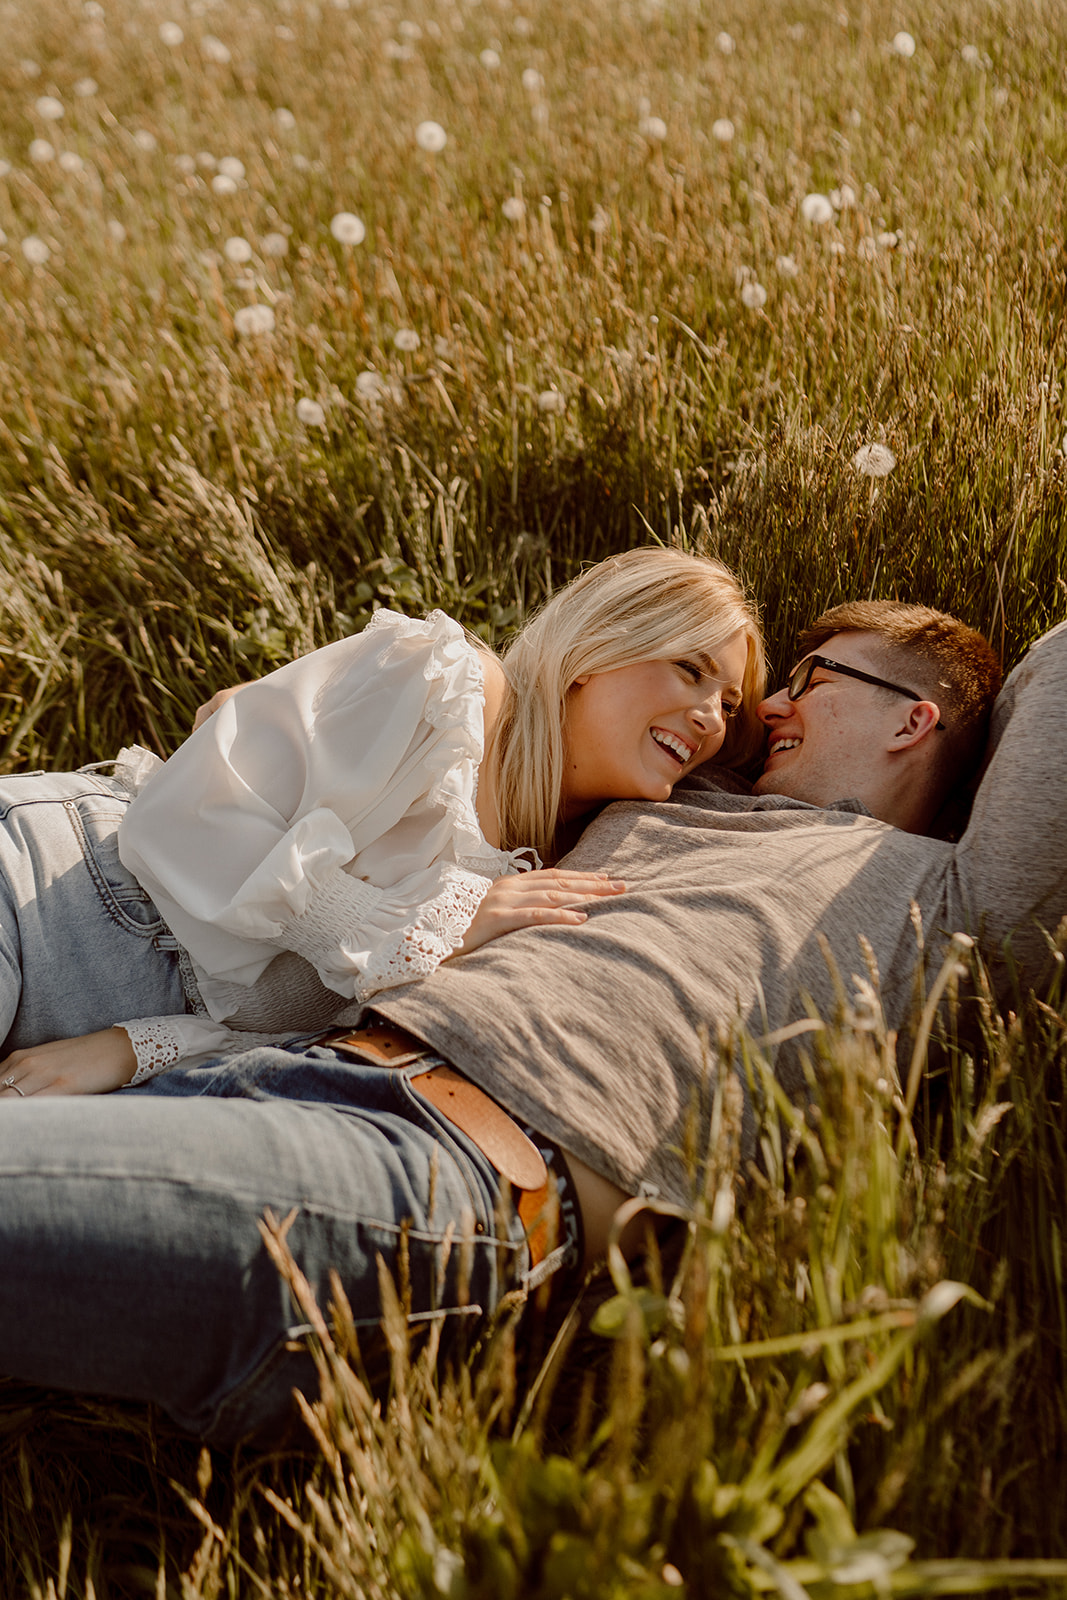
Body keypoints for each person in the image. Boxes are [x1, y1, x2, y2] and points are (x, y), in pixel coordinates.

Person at [3, 597, 1053, 1450]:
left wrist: (982, 700)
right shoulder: (659, 805)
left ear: (911, 720)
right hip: (272, 1070)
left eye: (811, 679)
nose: (766, 708)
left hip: (442, 1177)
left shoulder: (950, 902)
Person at [0, 547, 763, 1094]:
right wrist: (417, 922)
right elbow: (192, 812)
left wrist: (139, 1046)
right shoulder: (451, 689)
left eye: (728, 705)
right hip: (54, 892)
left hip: (105, 1028)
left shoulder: (545, 873)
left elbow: (323, 1026)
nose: (709, 718)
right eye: (689, 670)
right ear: (596, 650)